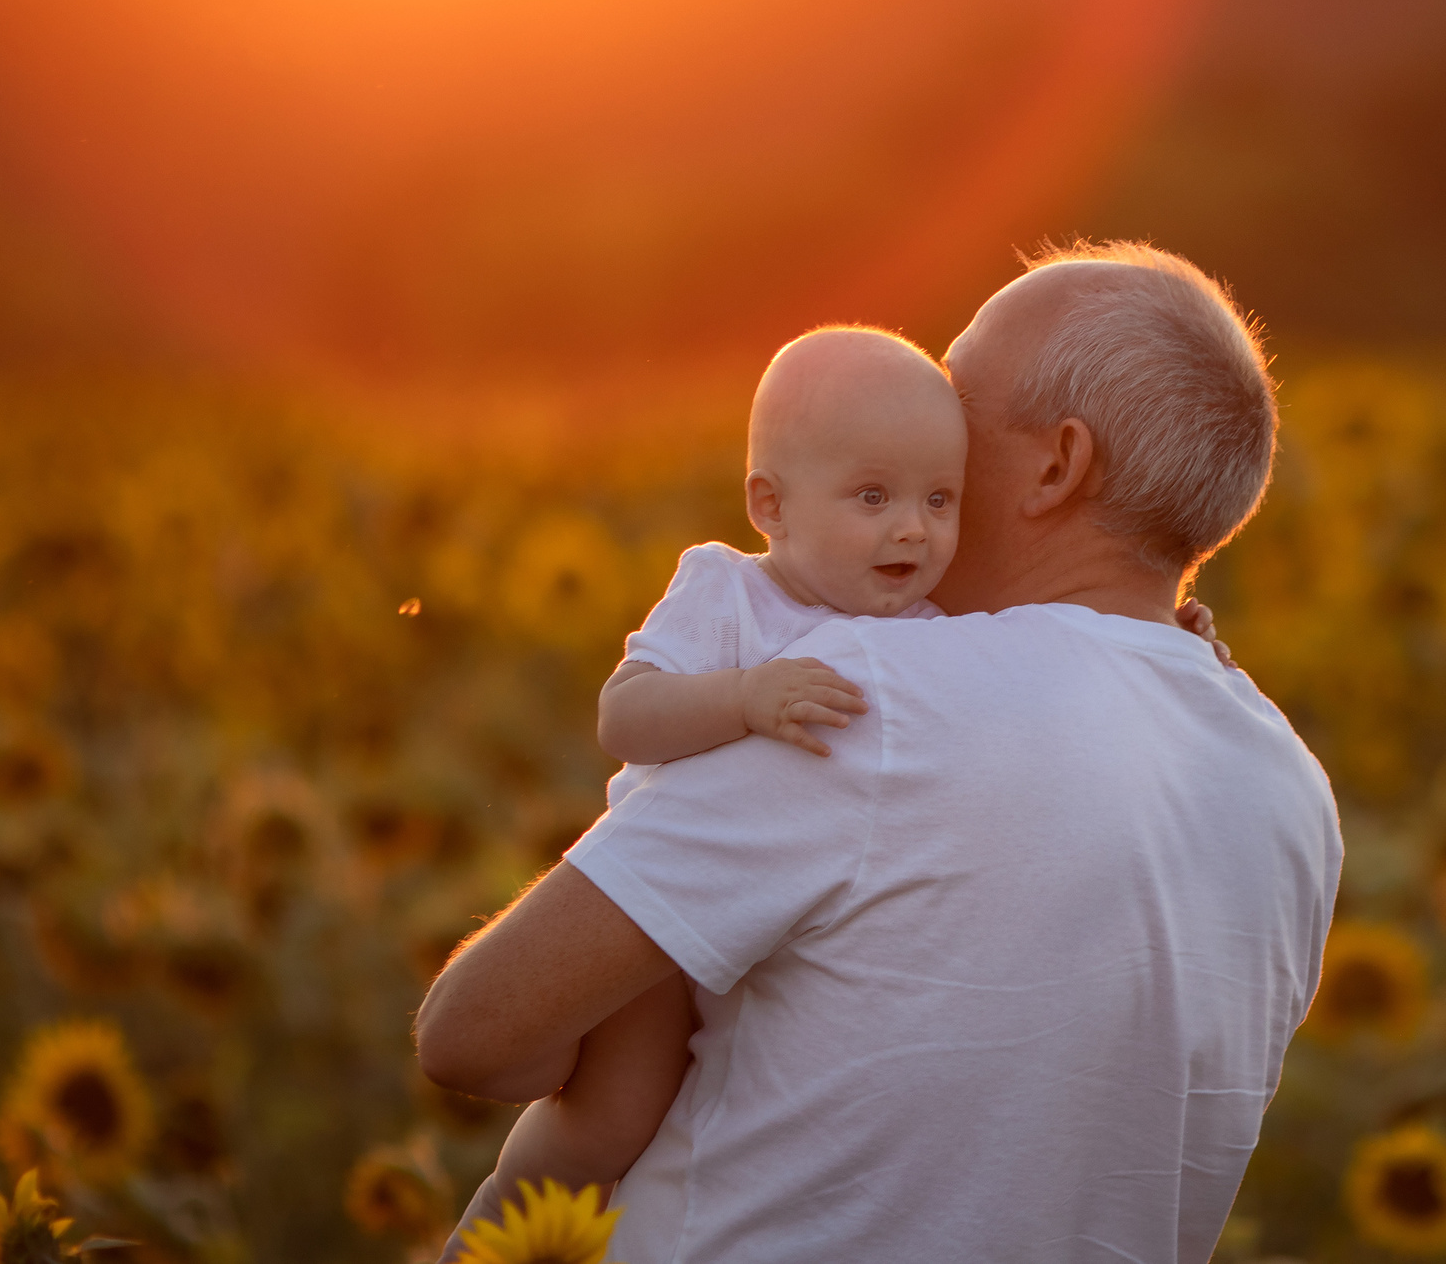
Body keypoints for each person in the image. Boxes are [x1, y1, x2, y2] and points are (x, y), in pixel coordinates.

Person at [416, 243, 1341, 1263]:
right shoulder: (1291, 790)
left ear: (1057, 466)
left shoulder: (867, 693)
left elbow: (474, 1033)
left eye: (954, 406)